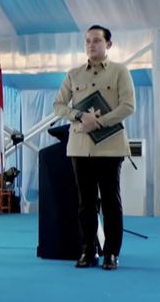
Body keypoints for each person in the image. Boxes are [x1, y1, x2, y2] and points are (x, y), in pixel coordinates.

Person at [53, 25, 135, 271]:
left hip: (110, 148)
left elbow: (128, 106)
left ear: (108, 44)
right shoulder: (73, 74)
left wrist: (99, 121)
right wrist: (79, 116)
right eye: (88, 41)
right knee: (85, 204)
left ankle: (111, 253)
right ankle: (89, 250)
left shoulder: (120, 72)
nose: (91, 45)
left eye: (97, 40)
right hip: (80, 148)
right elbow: (58, 106)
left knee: (111, 202)